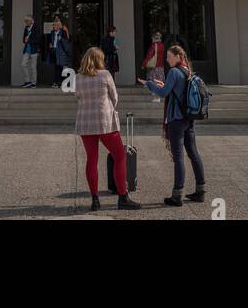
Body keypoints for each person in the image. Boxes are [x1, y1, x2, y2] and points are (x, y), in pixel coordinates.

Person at [74, 47, 141, 211]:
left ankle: (95, 200)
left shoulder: (78, 77)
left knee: (92, 160)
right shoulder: (105, 75)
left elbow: (78, 97)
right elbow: (115, 97)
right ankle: (123, 197)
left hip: (85, 122)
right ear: (99, 60)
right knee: (119, 156)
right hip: (105, 122)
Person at [140, 45, 206, 206]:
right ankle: (200, 191)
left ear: (177, 56)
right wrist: (163, 84)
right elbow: (174, 90)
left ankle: (177, 196)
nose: (167, 60)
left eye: (169, 57)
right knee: (194, 154)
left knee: (178, 158)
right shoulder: (187, 70)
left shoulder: (174, 72)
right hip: (188, 118)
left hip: (176, 119)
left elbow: (163, 94)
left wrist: (149, 84)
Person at [141, 31, 166, 102]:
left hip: (154, 66)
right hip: (160, 66)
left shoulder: (154, 45)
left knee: (153, 81)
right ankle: (158, 95)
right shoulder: (162, 45)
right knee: (159, 82)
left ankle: (156, 97)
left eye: (152, 38)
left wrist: (144, 64)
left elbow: (149, 56)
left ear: (154, 38)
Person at [20, 16, 40, 88]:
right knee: (23, 64)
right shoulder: (26, 28)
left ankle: (33, 83)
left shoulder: (36, 27)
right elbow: (24, 40)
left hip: (34, 49)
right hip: (27, 50)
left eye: (27, 21)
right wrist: (25, 40)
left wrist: (28, 40)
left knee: (33, 67)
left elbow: (38, 40)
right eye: (26, 21)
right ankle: (28, 81)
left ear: (31, 21)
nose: (26, 23)